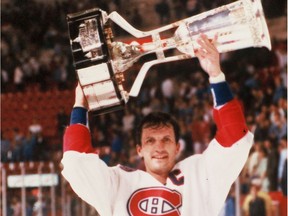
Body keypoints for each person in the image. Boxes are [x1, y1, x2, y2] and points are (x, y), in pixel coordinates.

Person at [61, 34, 253, 215]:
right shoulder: (118, 183)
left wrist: (216, 74)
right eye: (150, 140)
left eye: (166, 139)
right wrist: (80, 104)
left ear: (178, 147)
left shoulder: (199, 175)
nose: (159, 146)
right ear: (139, 149)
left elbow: (236, 138)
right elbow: (76, 162)